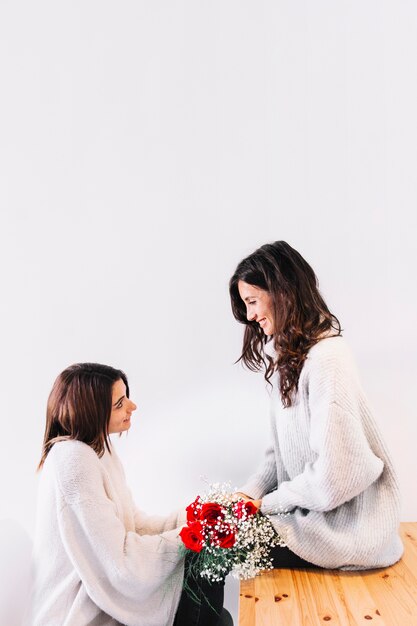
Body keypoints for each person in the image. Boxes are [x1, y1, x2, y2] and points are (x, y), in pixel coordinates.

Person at [229, 241, 403, 570]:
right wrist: (249, 493)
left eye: (252, 301)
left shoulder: (327, 360)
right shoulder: (290, 358)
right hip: (314, 516)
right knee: (212, 531)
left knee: (215, 542)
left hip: (344, 529)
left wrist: (266, 504)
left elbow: (336, 477)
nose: (250, 316)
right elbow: (277, 452)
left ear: (282, 292)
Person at [30, 363, 230, 626]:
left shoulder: (98, 450)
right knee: (207, 561)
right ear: (92, 412)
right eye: (119, 403)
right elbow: (118, 566)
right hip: (85, 615)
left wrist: (194, 518)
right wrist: (190, 536)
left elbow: (134, 524)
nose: (132, 406)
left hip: (105, 599)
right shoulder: (73, 460)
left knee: (215, 562)